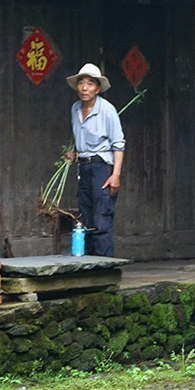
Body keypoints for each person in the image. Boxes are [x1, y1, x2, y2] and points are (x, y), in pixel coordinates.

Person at [66, 63, 124, 257]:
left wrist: (115, 175)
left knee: (101, 219)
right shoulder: (75, 109)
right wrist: (72, 151)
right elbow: (76, 136)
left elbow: (118, 144)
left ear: (97, 88)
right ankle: (90, 266)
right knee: (85, 218)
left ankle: (105, 268)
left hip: (102, 168)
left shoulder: (107, 110)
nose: (84, 88)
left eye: (90, 84)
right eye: (81, 83)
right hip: (83, 168)